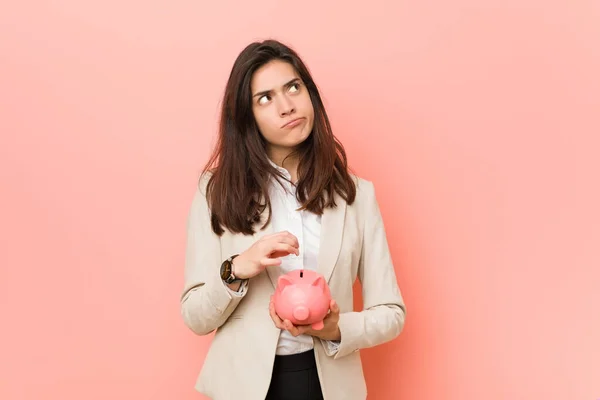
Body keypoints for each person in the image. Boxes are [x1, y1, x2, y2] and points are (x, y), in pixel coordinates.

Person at [180, 39, 407, 400]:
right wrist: (238, 267)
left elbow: (391, 313)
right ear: (246, 116)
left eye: (293, 87)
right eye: (265, 98)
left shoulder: (357, 196)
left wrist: (336, 328)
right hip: (244, 387)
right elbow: (195, 316)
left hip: (329, 384)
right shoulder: (216, 192)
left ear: (310, 94)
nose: (287, 106)